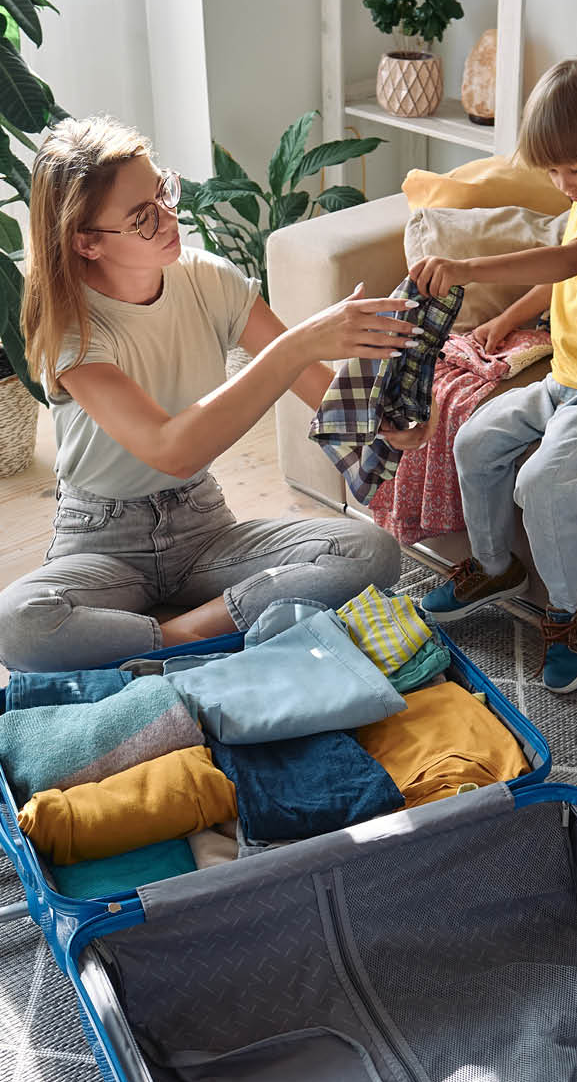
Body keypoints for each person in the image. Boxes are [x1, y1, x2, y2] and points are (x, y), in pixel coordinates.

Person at [0, 115, 431, 674]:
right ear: (86, 243)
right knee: (20, 623)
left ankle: (170, 639)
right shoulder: (72, 330)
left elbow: (323, 397)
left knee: (370, 552)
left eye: (164, 192)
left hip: (201, 524)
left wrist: (391, 420)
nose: (169, 218)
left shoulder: (208, 279)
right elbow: (169, 447)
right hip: (103, 541)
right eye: (142, 217)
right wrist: (297, 345)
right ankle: (202, 634)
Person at [413, 57, 577, 693]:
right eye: (553, 170)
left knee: (543, 483)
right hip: (566, 381)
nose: (563, 183)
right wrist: (509, 320)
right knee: (473, 439)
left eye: (573, 169)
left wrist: (469, 268)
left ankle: (572, 610)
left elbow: (564, 256)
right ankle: (496, 567)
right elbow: (561, 274)